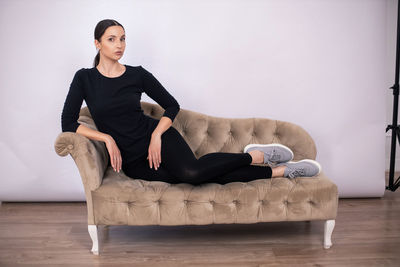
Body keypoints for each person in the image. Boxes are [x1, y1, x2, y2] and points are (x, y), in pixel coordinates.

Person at [61, 19, 322, 185]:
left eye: (123, 38)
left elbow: (171, 105)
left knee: (192, 173)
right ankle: (282, 171)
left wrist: (156, 136)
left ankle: (258, 156)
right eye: (111, 39)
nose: (119, 44)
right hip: (133, 160)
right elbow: (68, 122)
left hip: (158, 137)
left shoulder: (137, 74)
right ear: (97, 44)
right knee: (199, 177)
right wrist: (106, 138)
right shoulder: (84, 78)